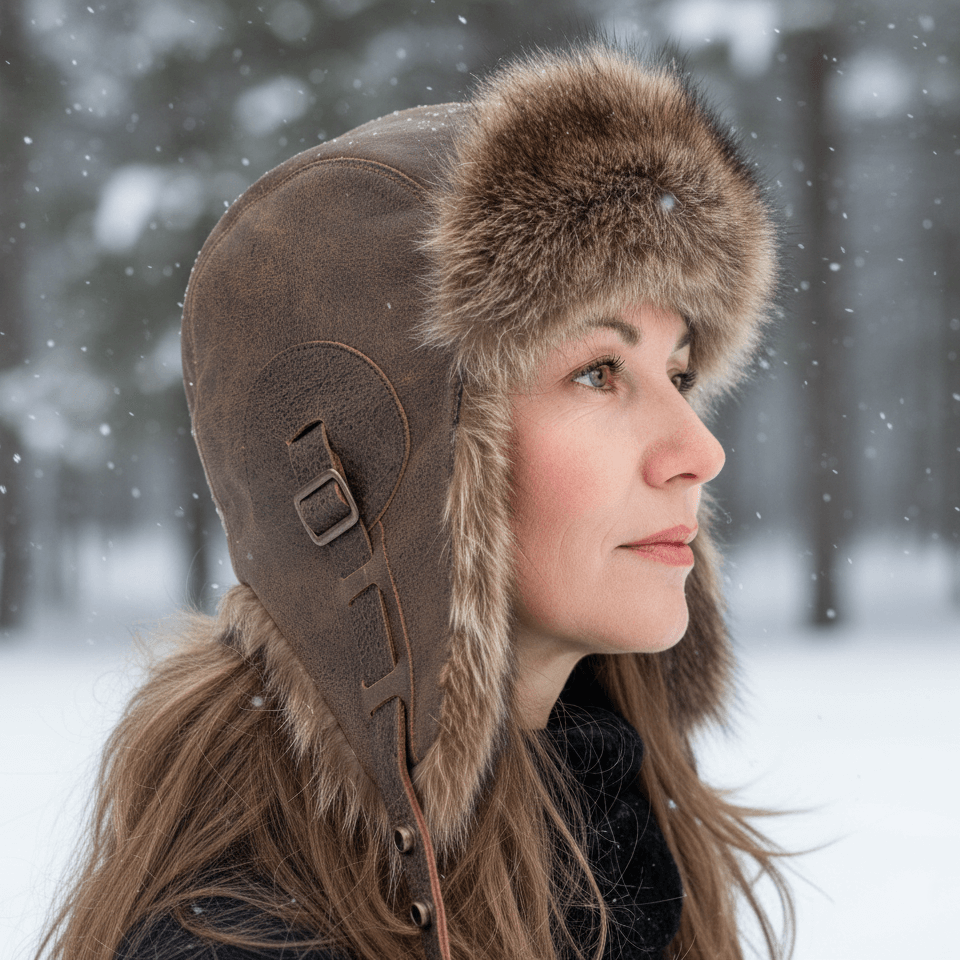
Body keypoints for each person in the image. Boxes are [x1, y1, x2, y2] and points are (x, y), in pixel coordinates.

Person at [40, 42, 794, 960]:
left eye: (678, 372)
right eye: (599, 371)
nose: (699, 450)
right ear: (404, 471)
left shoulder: (626, 844)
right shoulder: (252, 940)